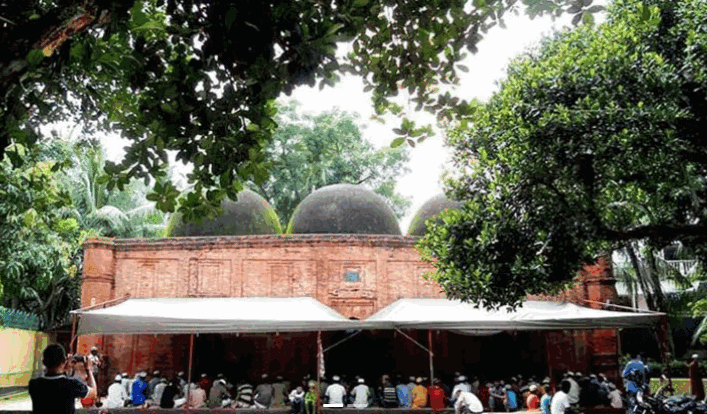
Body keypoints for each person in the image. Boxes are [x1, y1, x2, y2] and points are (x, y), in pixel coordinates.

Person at [28, 344, 97, 414]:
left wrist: (63, 369)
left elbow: (54, 383)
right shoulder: (72, 385)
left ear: (43, 362)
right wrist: (89, 370)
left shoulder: (34, 384)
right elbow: (93, 392)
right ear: (64, 361)